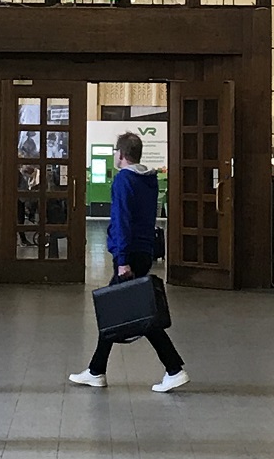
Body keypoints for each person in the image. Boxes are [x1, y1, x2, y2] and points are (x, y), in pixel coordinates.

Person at [69, 132, 189, 393]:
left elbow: (121, 220)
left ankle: (174, 368)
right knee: (122, 310)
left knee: (132, 313)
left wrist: (122, 260)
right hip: (144, 250)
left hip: (129, 254)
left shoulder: (124, 180)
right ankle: (96, 370)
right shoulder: (150, 179)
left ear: (120, 154)